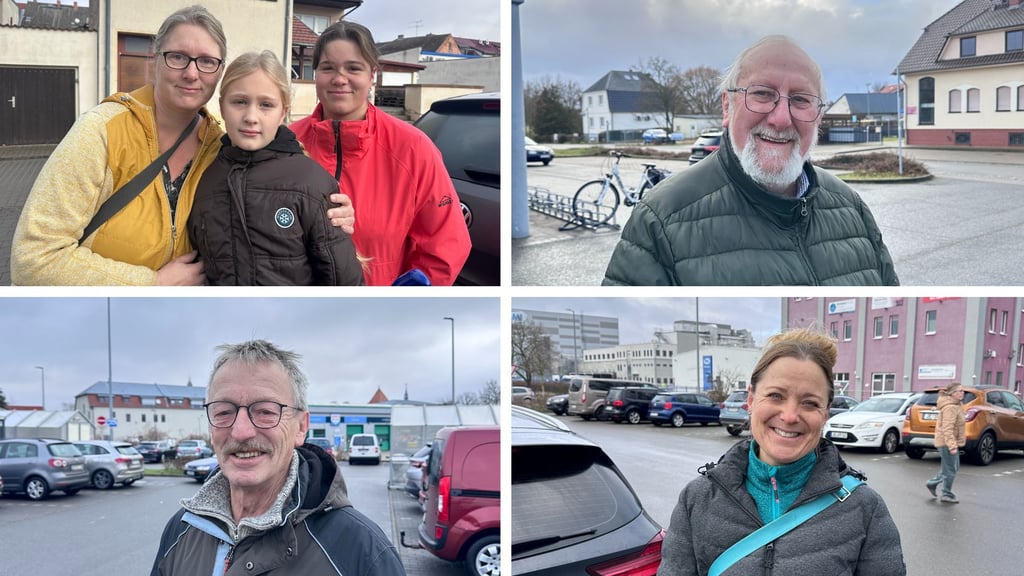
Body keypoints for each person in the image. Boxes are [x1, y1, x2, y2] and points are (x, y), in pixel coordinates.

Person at [10, 5, 353, 286]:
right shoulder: (102, 131)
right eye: (177, 57)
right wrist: (150, 283)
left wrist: (328, 209)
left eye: (206, 61)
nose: (191, 73)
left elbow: (277, 181)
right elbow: (33, 260)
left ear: (219, 73)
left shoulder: (219, 145)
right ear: (155, 59)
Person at [603, 35, 898, 286]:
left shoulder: (852, 208)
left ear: (818, 116)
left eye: (800, 99)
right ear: (727, 106)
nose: (781, 119)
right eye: (762, 94)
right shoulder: (660, 219)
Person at [658, 328, 906, 575]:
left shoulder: (864, 508)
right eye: (776, 396)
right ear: (751, 400)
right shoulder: (697, 499)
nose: (789, 416)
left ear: (825, 413)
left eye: (810, 403)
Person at [150, 339, 405, 575]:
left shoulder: (362, 553)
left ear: (301, 427)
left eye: (265, 411)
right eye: (223, 412)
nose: (241, 431)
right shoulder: (181, 530)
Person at [290, 20, 471, 286]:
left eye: (353, 68)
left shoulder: (413, 148)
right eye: (328, 68)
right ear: (316, 72)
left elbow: (445, 245)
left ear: (372, 75)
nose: (339, 79)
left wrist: (402, 300)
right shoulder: (287, 143)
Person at [188, 51, 365, 285]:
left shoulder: (310, 181)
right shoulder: (204, 176)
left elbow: (343, 280)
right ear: (221, 106)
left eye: (266, 105)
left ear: (283, 111)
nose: (251, 117)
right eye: (239, 102)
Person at [926, 382, 965, 504]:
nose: (962, 393)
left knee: (952, 467)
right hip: (947, 442)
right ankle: (946, 494)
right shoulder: (950, 407)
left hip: (950, 442)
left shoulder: (956, 405)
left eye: (963, 391)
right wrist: (952, 445)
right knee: (950, 469)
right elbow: (947, 428)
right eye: (960, 391)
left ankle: (932, 483)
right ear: (953, 393)